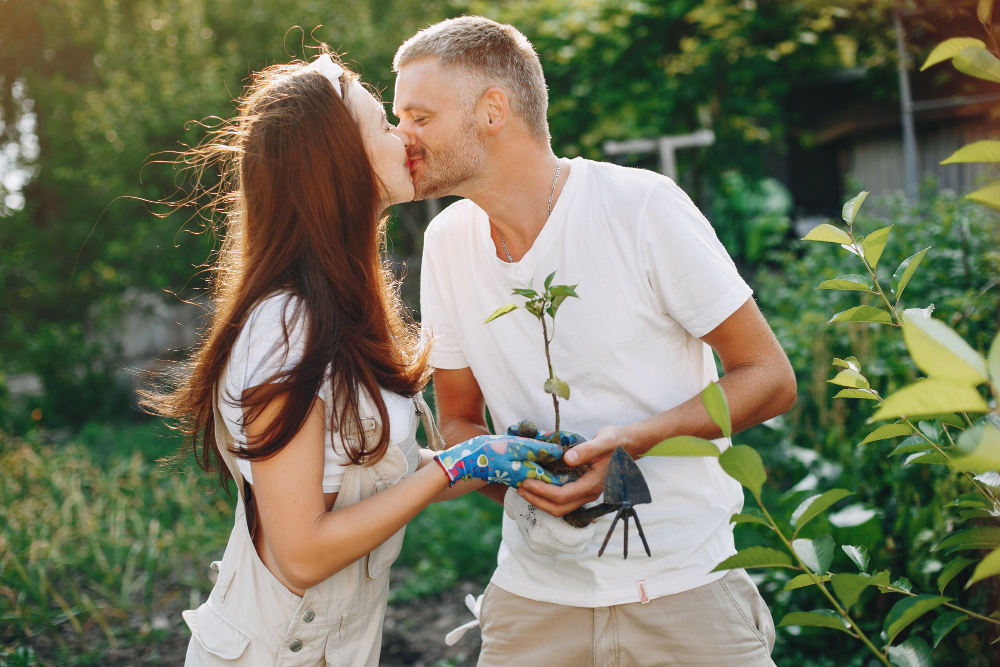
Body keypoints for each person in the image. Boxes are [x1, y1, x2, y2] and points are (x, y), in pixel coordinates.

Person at [143, 49, 568, 667]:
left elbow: (368, 477)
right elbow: (301, 554)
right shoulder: (284, 329)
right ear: (338, 164)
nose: (405, 137)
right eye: (384, 125)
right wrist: (455, 468)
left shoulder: (339, 308)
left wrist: (497, 458)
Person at [393, 17, 798, 666]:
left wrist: (633, 441)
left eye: (419, 117)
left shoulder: (640, 207)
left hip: (685, 590)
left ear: (492, 110)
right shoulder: (447, 243)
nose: (401, 137)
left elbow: (769, 377)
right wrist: (528, 482)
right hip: (534, 602)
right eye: (397, 119)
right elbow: (459, 421)